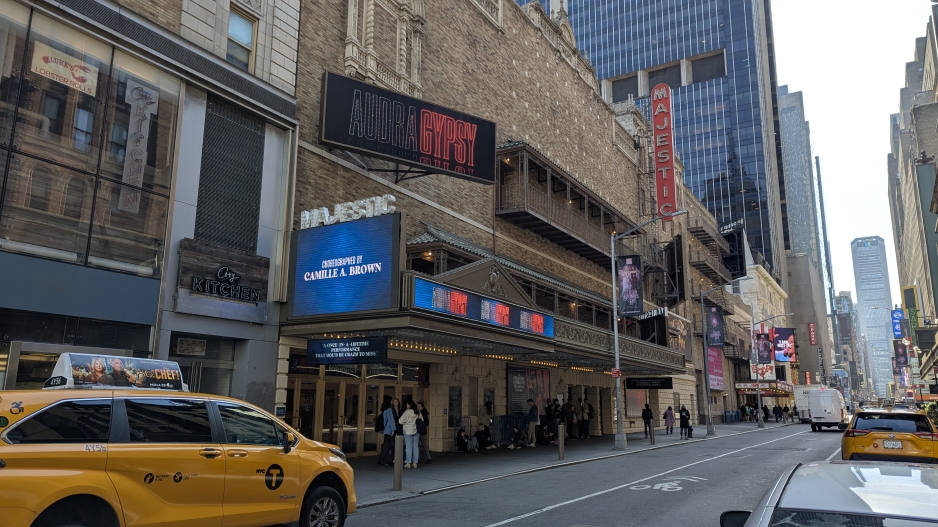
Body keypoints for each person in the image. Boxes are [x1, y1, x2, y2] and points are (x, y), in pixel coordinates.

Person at [378, 398, 401, 466]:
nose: (392, 402)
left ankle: (381, 459)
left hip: (385, 430)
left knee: (385, 444)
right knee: (387, 445)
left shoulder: (384, 410)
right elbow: (391, 420)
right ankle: (384, 460)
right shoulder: (389, 410)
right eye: (391, 400)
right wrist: (393, 429)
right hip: (388, 430)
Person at [399, 400, 420, 468]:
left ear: (409, 405)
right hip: (416, 431)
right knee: (415, 446)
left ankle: (408, 463)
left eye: (407, 404)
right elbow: (421, 420)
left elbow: (400, 421)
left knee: (408, 447)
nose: (406, 406)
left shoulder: (407, 412)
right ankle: (415, 463)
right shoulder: (418, 412)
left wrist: (406, 422)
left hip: (408, 430)